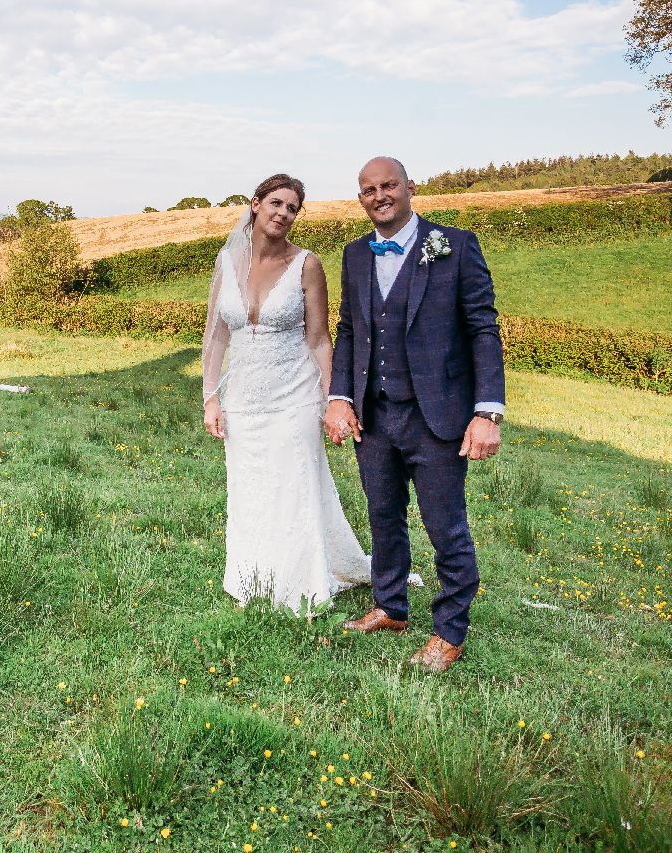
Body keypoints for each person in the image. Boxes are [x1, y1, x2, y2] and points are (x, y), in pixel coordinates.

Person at [323, 156, 504, 673]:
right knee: (383, 517)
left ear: (410, 188)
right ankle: (390, 607)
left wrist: (487, 411)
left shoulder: (456, 246)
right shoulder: (354, 254)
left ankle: (450, 631)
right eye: (368, 189)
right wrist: (339, 397)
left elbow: (482, 329)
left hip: (437, 416)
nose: (378, 196)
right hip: (374, 416)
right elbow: (349, 329)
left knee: (445, 526)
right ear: (360, 198)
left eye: (388, 185)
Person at [203, 173, 371, 615]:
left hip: (295, 395)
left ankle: (302, 585)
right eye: (276, 203)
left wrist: (336, 400)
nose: (283, 213)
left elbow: (319, 339)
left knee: (294, 488)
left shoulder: (306, 264)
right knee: (250, 490)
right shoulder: (227, 263)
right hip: (243, 401)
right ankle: (253, 578)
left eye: (292, 208)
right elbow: (216, 336)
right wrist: (210, 396)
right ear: (255, 203)